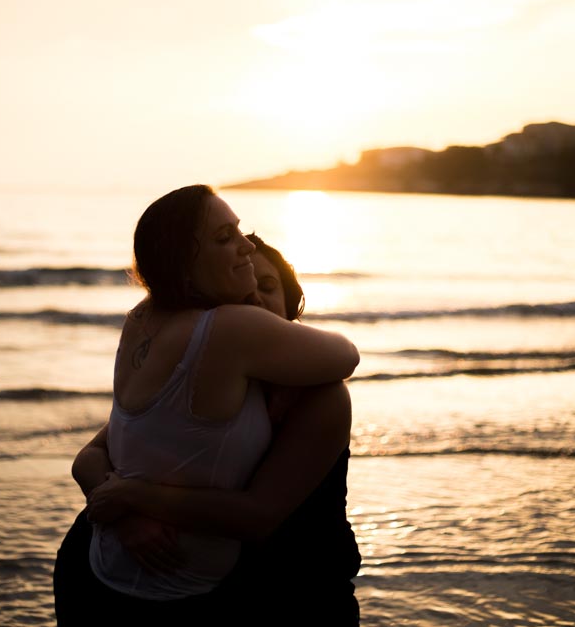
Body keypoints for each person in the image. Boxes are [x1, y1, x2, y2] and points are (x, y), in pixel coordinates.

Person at [53, 185, 359, 625]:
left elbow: (258, 516)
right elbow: (92, 454)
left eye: (267, 286)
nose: (253, 299)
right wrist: (126, 519)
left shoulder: (321, 399)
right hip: (122, 575)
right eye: (243, 295)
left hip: (298, 593)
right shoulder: (215, 367)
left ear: (293, 311)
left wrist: (135, 498)